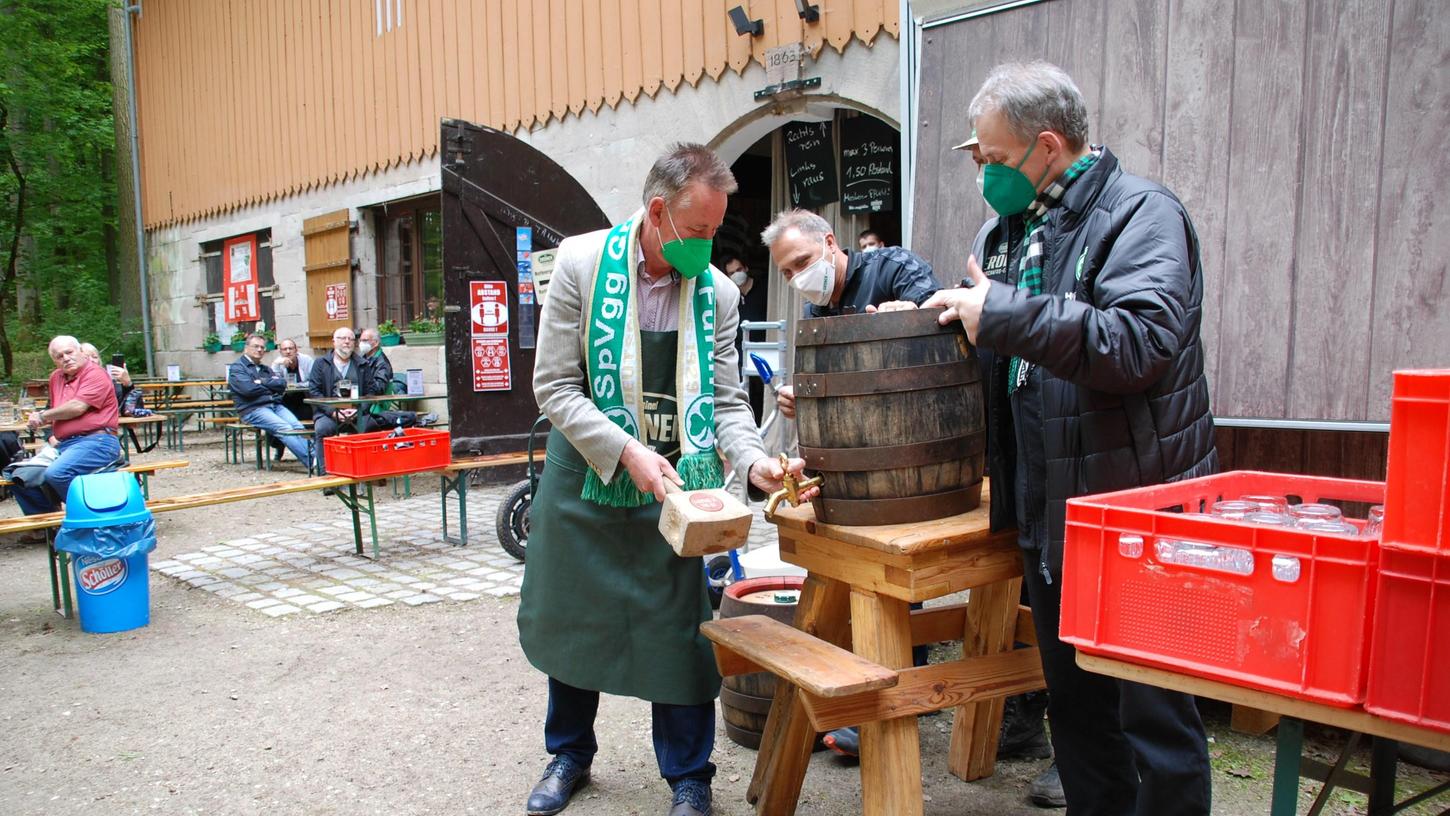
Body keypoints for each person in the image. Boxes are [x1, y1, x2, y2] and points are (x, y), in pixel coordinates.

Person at [923, 61, 1216, 814]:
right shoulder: (1008, 229)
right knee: (1079, 713)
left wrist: (1007, 316)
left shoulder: (1140, 214)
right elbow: (1012, 348)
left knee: (1152, 717)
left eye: (991, 157)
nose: (982, 172)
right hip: (1050, 514)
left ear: (1047, 146)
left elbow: (1142, 341)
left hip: (1134, 512)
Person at [520, 143, 814, 816]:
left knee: (680, 633)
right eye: (702, 231)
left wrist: (755, 463)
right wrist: (626, 451)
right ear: (658, 212)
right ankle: (568, 754)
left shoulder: (715, 293)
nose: (710, 247)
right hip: (589, 472)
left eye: (717, 231)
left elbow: (728, 401)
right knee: (577, 620)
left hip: (678, 487)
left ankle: (689, 773)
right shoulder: (582, 264)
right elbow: (556, 388)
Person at [762, 209, 939, 420]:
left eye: (802, 262)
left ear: (829, 243)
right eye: (787, 272)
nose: (797, 278)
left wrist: (913, 316)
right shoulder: (813, 311)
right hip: (852, 433)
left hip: (916, 417)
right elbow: (823, 381)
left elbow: (940, 318)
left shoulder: (893, 267)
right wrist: (801, 397)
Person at [11, 336, 121, 515]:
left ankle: (88, 518)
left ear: (80, 352)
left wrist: (42, 416)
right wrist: (51, 433)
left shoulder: (95, 373)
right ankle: (49, 526)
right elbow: (57, 412)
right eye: (59, 356)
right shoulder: (55, 377)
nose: (66, 358)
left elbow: (77, 407)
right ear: (54, 361)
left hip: (98, 442)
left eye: (69, 352)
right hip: (64, 445)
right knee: (18, 476)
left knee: (56, 474)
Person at [229, 333, 312, 465]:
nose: (260, 350)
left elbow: (281, 385)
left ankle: (318, 459)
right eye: (256, 346)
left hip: (275, 406)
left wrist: (260, 382)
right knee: (284, 428)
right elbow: (248, 390)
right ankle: (312, 462)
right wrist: (269, 387)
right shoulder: (238, 368)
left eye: (262, 347)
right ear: (246, 348)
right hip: (253, 409)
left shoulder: (265, 369)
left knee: (298, 427)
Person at [308, 327, 375, 470]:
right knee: (323, 429)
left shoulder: (363, 364)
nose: (347, 342)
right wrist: (332, 411)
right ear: (334, 342)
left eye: (350, 339)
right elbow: (314, 391)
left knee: (371, 426)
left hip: (357, 413)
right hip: (329, 413)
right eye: (342, 339)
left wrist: (359, 410)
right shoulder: (320, 364)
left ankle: (366, 470)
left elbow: (370, 393)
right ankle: (325, 474)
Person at [720, 253, 767, 419]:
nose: (736, 275)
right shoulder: (730, 299)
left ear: (746, 269)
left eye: (739, 270)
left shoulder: (765, 290)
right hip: (739, 353)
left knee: (762, 391)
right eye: (731, 273)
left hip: (765, 349)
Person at [272, 338, 314, 421]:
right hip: (285, 398)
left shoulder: (306, 360)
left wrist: (297, 386)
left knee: (306, 413)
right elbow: (273, 382)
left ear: (296, 350)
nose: (288, 351)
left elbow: (314, 382)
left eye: (290, 348)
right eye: (284, 349)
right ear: (280, 352)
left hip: (305, 398)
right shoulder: (278, 363)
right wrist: (275, 364)